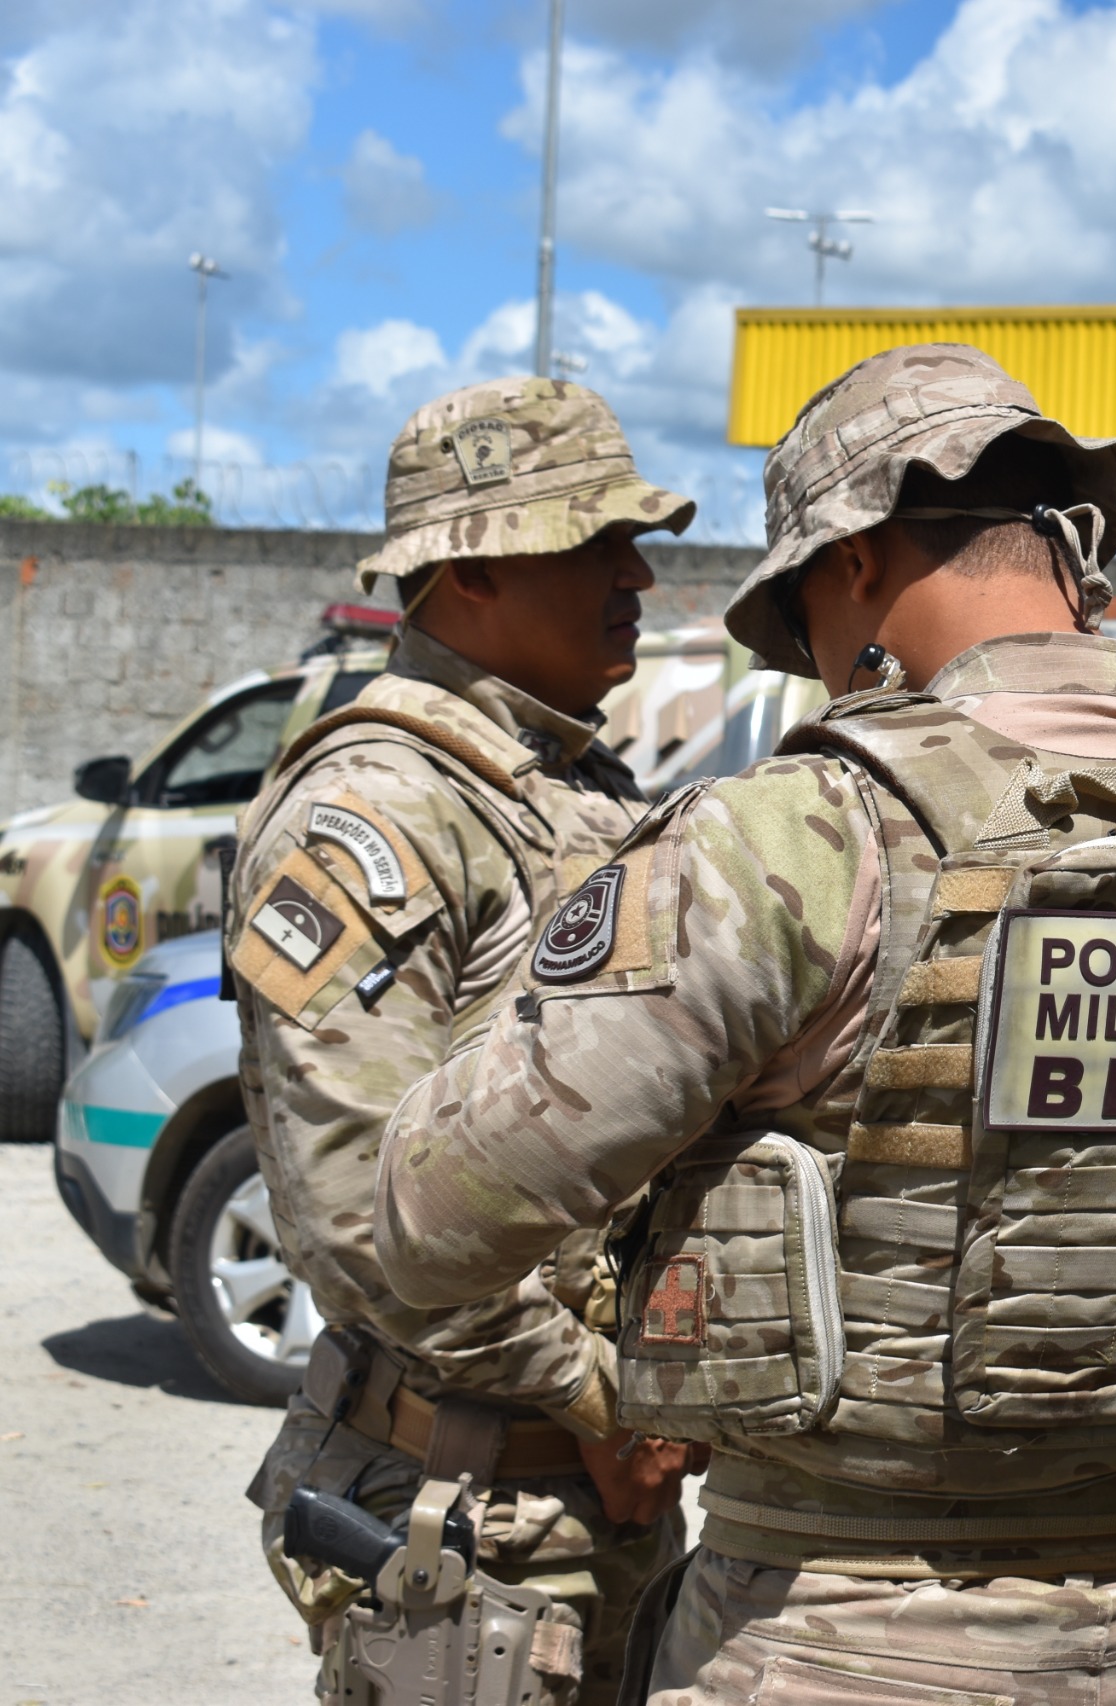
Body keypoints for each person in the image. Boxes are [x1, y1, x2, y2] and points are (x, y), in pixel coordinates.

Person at [370, 344, 1116, 1704]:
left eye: (805, 627)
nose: (827, 673)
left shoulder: (785, 840)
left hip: (823, 1641)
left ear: (851, 563)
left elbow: (431, 1223)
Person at [230, 376, 701, 1706]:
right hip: (468, 1521)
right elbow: (355, 1214)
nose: (639, 573)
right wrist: (594, 1394)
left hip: (586, 1500)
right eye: (593, 540)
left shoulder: (560, 791)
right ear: (474, 568)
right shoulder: (370, 811)